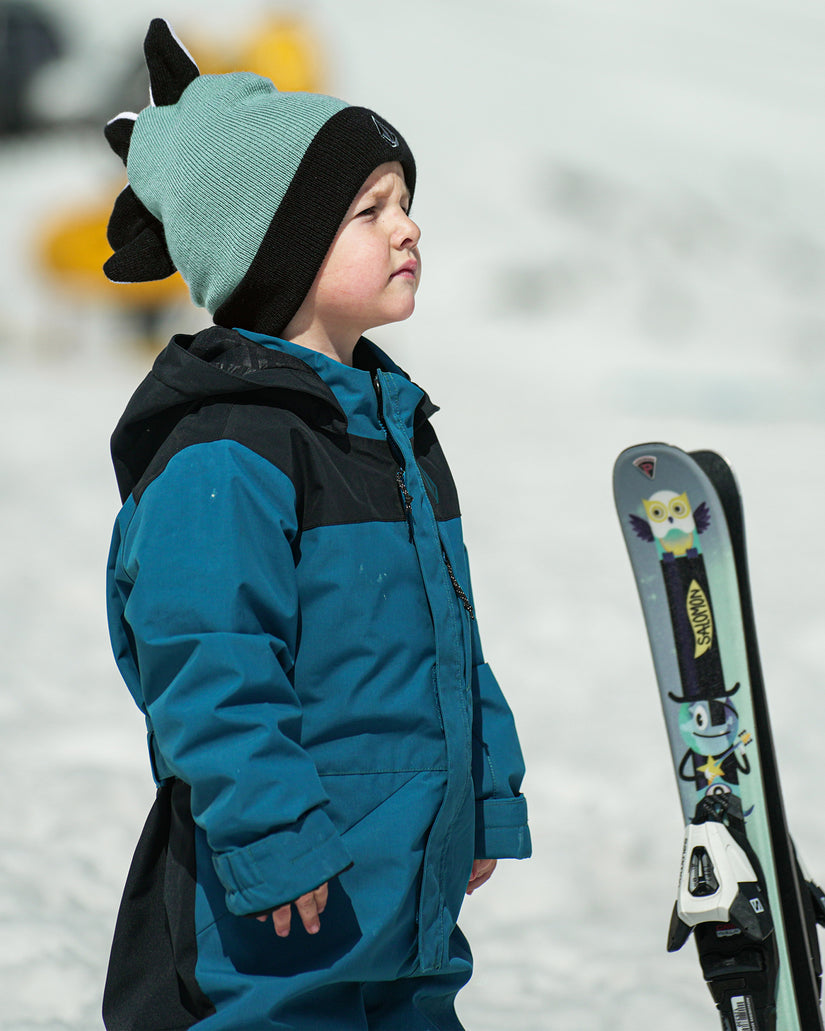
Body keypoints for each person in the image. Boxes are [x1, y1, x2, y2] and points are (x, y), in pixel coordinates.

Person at [102, 18, 531, 1031]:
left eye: (407, 204)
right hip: (277, 916)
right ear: (275, 243)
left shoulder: (392, 428)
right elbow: (207, 665)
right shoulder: (229, 448)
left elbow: (450, 635)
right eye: (369, 210)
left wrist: (485, 790)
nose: (407, 228)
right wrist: (272, 839)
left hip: (405, 898)